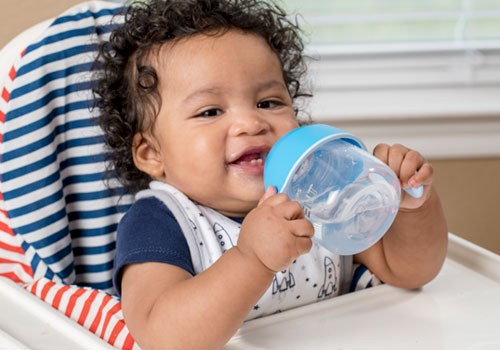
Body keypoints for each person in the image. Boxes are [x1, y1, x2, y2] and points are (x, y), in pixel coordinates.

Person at [93, 0, 448, 348]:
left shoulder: (322, 191)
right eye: (210, 111)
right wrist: (252, 260)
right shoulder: (159, 221)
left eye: (268, 103)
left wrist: (408, 206)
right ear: (152, 153)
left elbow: (411, 272)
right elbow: (163, 336)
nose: (252, 122)